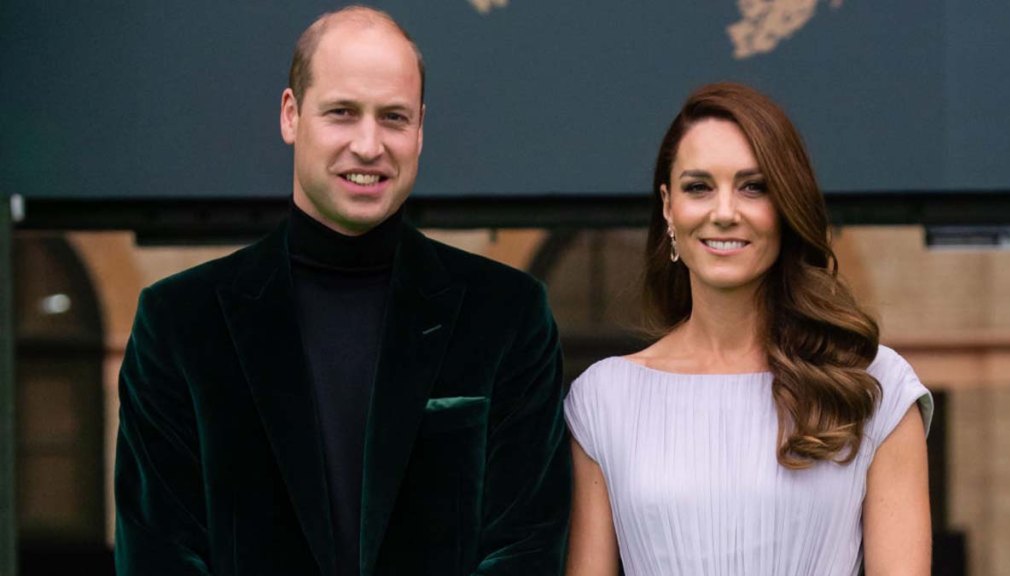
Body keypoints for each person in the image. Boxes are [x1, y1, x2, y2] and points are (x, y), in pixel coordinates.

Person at [114, 6, 570, 575]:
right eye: (343, 113)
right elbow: (161, 554)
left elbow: (524, 548)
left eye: (394, 118)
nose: (368, 145)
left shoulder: (507, 316)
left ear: (421, 129)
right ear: (290, 115)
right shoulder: (179, 323)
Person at [563, 82, 932, 575]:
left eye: (753, 186)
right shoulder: (603, 397)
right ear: (669, 206)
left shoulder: (874, 386)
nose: (723, 212)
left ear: (786, 206)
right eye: (699, 187)